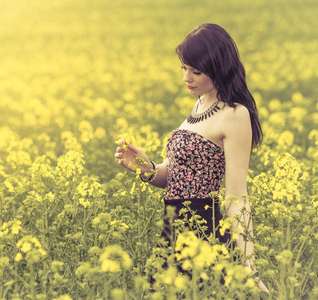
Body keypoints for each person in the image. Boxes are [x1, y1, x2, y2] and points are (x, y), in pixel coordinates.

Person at [114, 23, 268, 294]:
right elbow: (176, 177)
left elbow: (237, 197)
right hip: (172, 230)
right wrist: (145, 167)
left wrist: (249, 268)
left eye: (196, 71)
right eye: (184, 68)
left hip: (204, 232)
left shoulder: (234, 115)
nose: (187, 77)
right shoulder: (199, 104)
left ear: (219, 67)